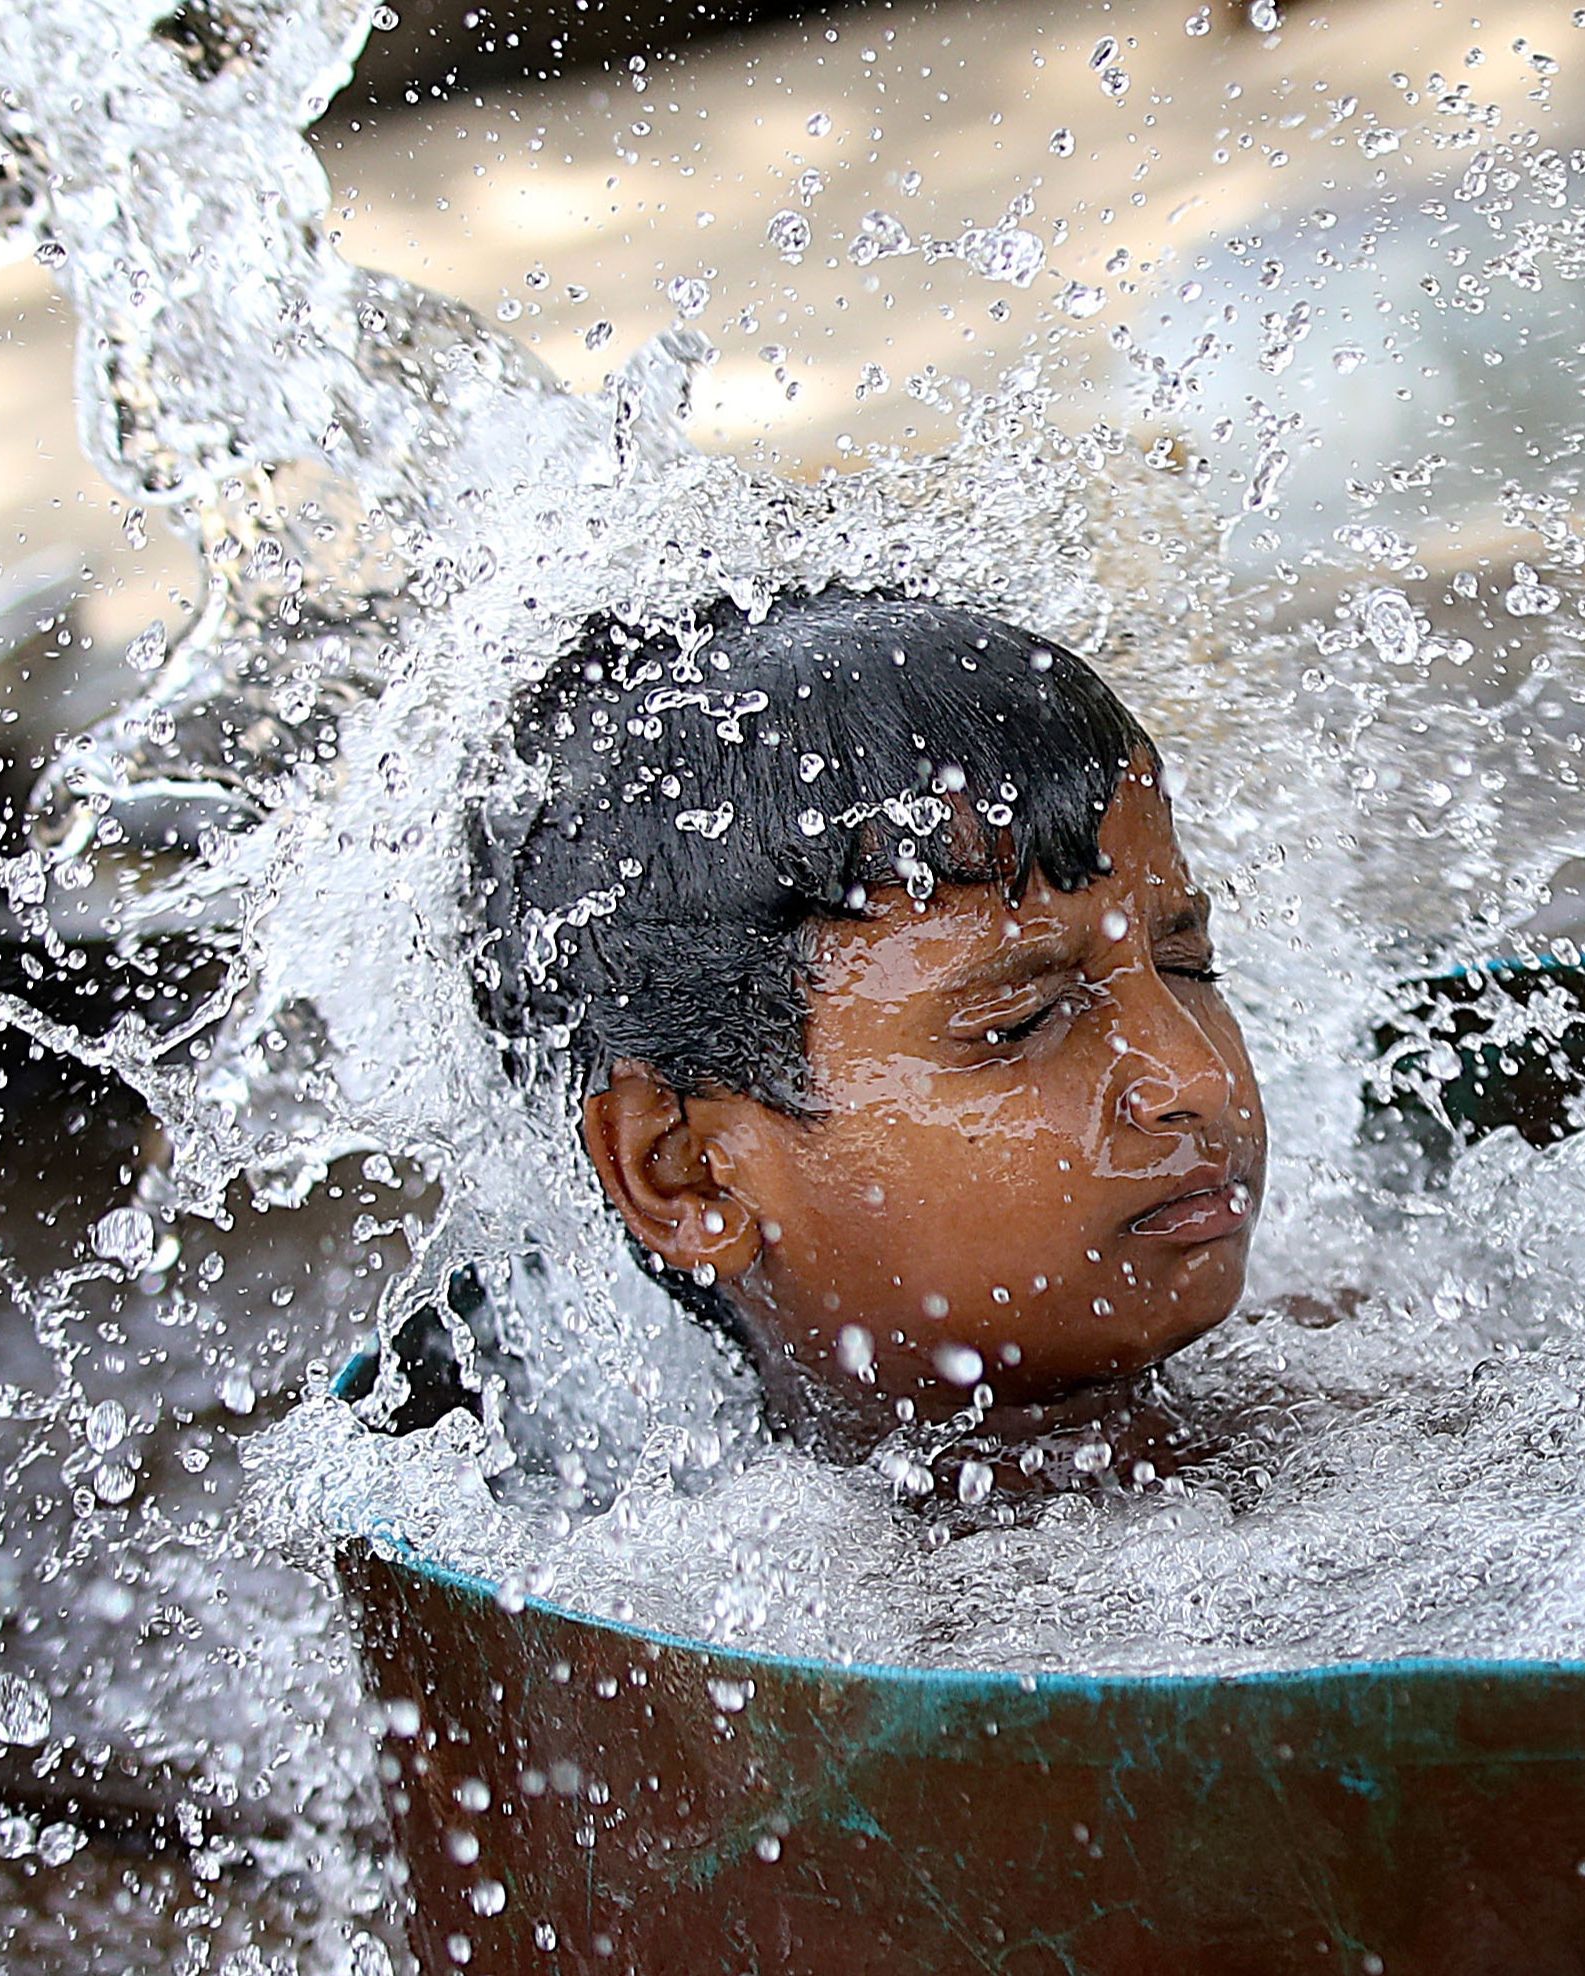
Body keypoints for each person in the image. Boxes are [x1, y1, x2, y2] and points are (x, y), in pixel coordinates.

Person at [460, 589, 1268, 1472]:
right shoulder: (783, 1601)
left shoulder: (1387, 1372)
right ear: (683, 1173)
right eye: (1023, 1020)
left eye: (1186, 968)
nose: (1197, 1079)